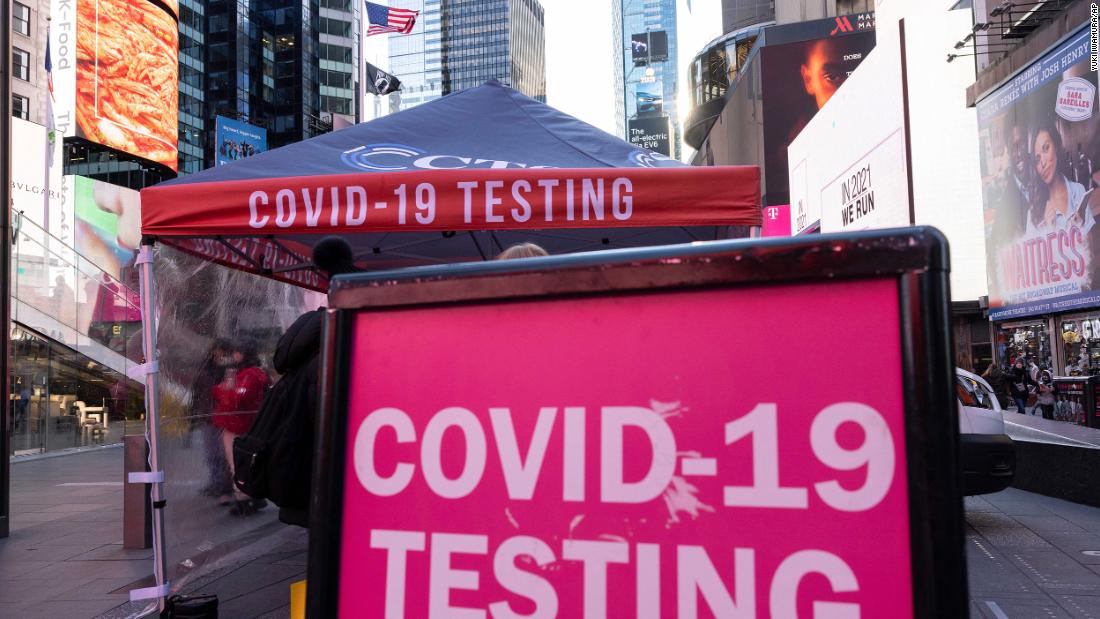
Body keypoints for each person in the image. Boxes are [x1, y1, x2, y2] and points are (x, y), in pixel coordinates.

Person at [212, 338, 271, 515]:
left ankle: (243, 499)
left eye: (237, 352)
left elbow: (237, 398)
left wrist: (224, 389)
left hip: (237, 424)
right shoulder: (254, 373)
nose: (234, 355)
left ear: (244, 353)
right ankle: (252, 496)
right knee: (245, 462)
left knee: (237, 464)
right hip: (244, 423)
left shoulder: (249, 375)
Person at [1028, 117, 1087, 232]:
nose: (1042, 163)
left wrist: (1080, 227)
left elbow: (1091, 243)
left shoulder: (1078, 191)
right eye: (1037, 159)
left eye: (1046, 149)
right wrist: (1049, 230)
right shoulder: (1032, 214)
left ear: (1056, 146)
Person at [191, 339, 232, 498]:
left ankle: (224, 484)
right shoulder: (205, 367)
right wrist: (195, 413)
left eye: (222, 350)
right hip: (207, 414)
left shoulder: (229, 368)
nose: (219, 353)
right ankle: (215, 481)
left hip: (223, 415)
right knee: (211, 452)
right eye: (217, 349)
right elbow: (197, 391)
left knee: (223, 453)